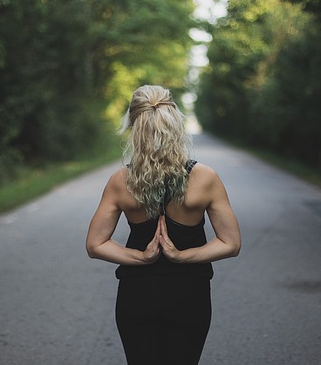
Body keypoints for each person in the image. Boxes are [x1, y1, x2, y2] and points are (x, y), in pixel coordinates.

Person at [86, 85, 241, 365]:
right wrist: (183, 256)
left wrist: (141, 256)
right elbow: (231, 243)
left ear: (134, 126)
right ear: (176, 123)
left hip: (137, 294)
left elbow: (95, 245)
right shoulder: (206, 177)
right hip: (189, 294)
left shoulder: (121, 181)